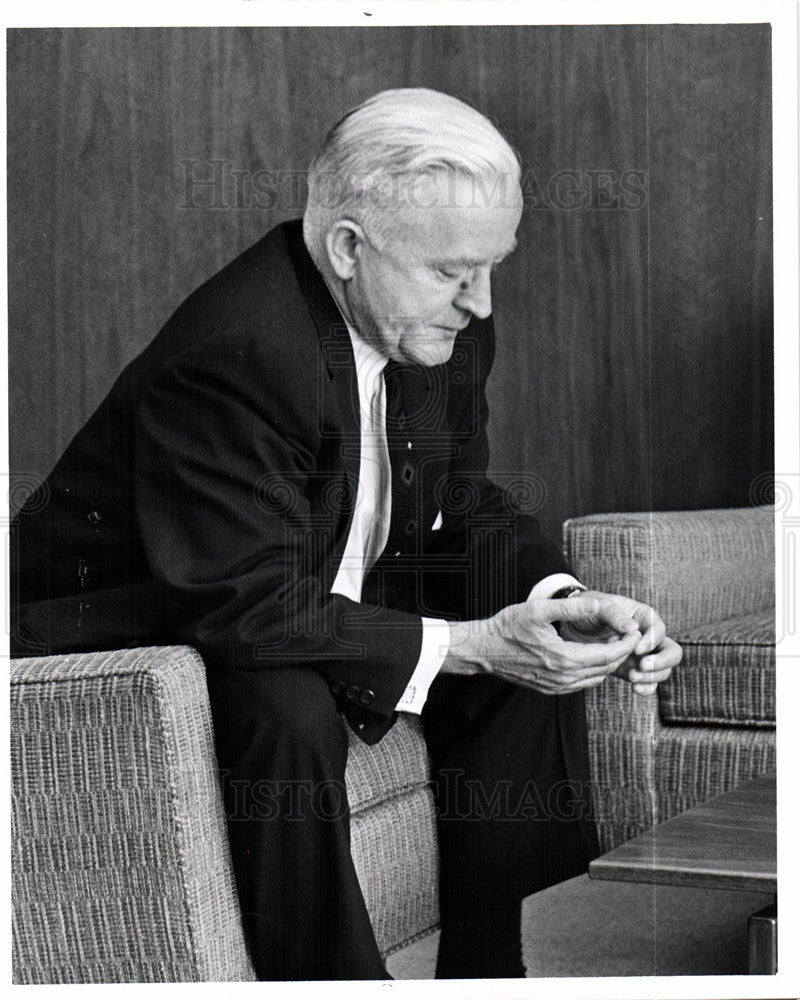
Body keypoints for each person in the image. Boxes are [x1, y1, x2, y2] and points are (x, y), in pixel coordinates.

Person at [11, 88, 681, 980]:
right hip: (128, 622)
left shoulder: (432, 322)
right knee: (284, 702)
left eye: (492, 267)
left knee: (530, 641)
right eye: (453, 272)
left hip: (292, 589)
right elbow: (242, 604)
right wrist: (471, 645)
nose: (479, 303)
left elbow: (462, 505)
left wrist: (565, 601)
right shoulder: (240, 351)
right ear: (348, 249)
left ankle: (500, 975)